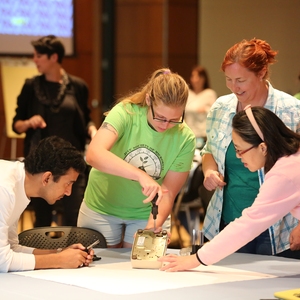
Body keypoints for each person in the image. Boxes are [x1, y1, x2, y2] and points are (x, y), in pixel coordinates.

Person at [159, 106, 300, 271]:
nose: (239, 157)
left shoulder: (283, 174)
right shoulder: (292, 157)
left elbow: (248, 224)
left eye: (240, 150)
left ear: (263, 147)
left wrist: (195, 259)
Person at [201, 38, 300, 258]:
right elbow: (209, 150)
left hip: (280, 228)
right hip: (229, 220)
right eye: (228, 79)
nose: (234, 87)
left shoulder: (292, 110)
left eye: (240, 80)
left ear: (262, 72)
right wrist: (209, 171)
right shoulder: (220, 108)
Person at [77, 68, 196, 248]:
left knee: (141, 270)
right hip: (102, 207)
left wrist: (151, 227)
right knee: (99, 270)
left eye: (174, 120)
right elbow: (94, 154)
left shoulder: (185, 138)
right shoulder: (126, 112)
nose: (166, 125)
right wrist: (141, 175)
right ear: (149, 100)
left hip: (146, 214)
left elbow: (168, 192)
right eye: (161, 117)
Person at [12, 35, 97, 227]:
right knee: (41, 219)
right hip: (41, 165)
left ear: (54, 57)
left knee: (74, 215)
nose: (34, 60)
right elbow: (16, 124)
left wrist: (93, 129)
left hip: (71, 163)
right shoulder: (30, 86)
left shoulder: (78, 86)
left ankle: (73, 254)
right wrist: (28, 122)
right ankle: (42, 256)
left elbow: (86, 118)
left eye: (39, 55)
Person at [0, 136, 94, 273]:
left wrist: (60, 253)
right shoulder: (5, 189)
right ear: (47, 178)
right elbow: (2, 260)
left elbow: (12, 247)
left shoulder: (19, 183)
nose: (69, 192)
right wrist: (60, 260)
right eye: (68, 183)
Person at [184, 65, 217, 148]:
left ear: (204, 79)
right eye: (193, 77)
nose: (196, 80)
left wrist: (205, 109)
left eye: (198, 77)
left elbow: (215, 113)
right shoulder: (188, 93)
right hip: (189, 132)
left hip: (204, 134)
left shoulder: (209, 94)